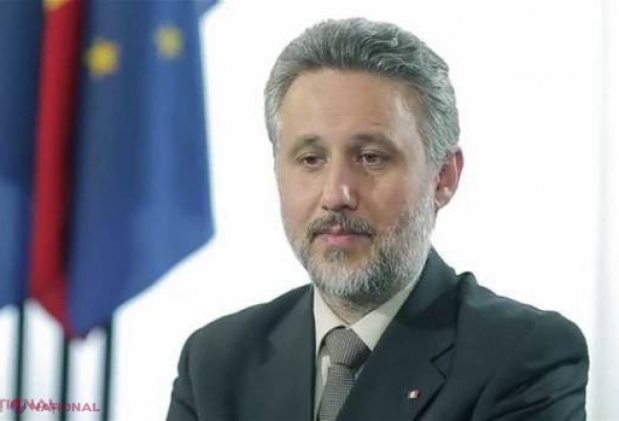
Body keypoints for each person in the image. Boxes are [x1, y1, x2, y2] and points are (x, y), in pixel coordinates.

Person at [166, 18, 588, 421]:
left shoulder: (523, 356)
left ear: (443, 177)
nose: (336, 195)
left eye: (371, 158)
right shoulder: (215, 362)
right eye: (311, 159)